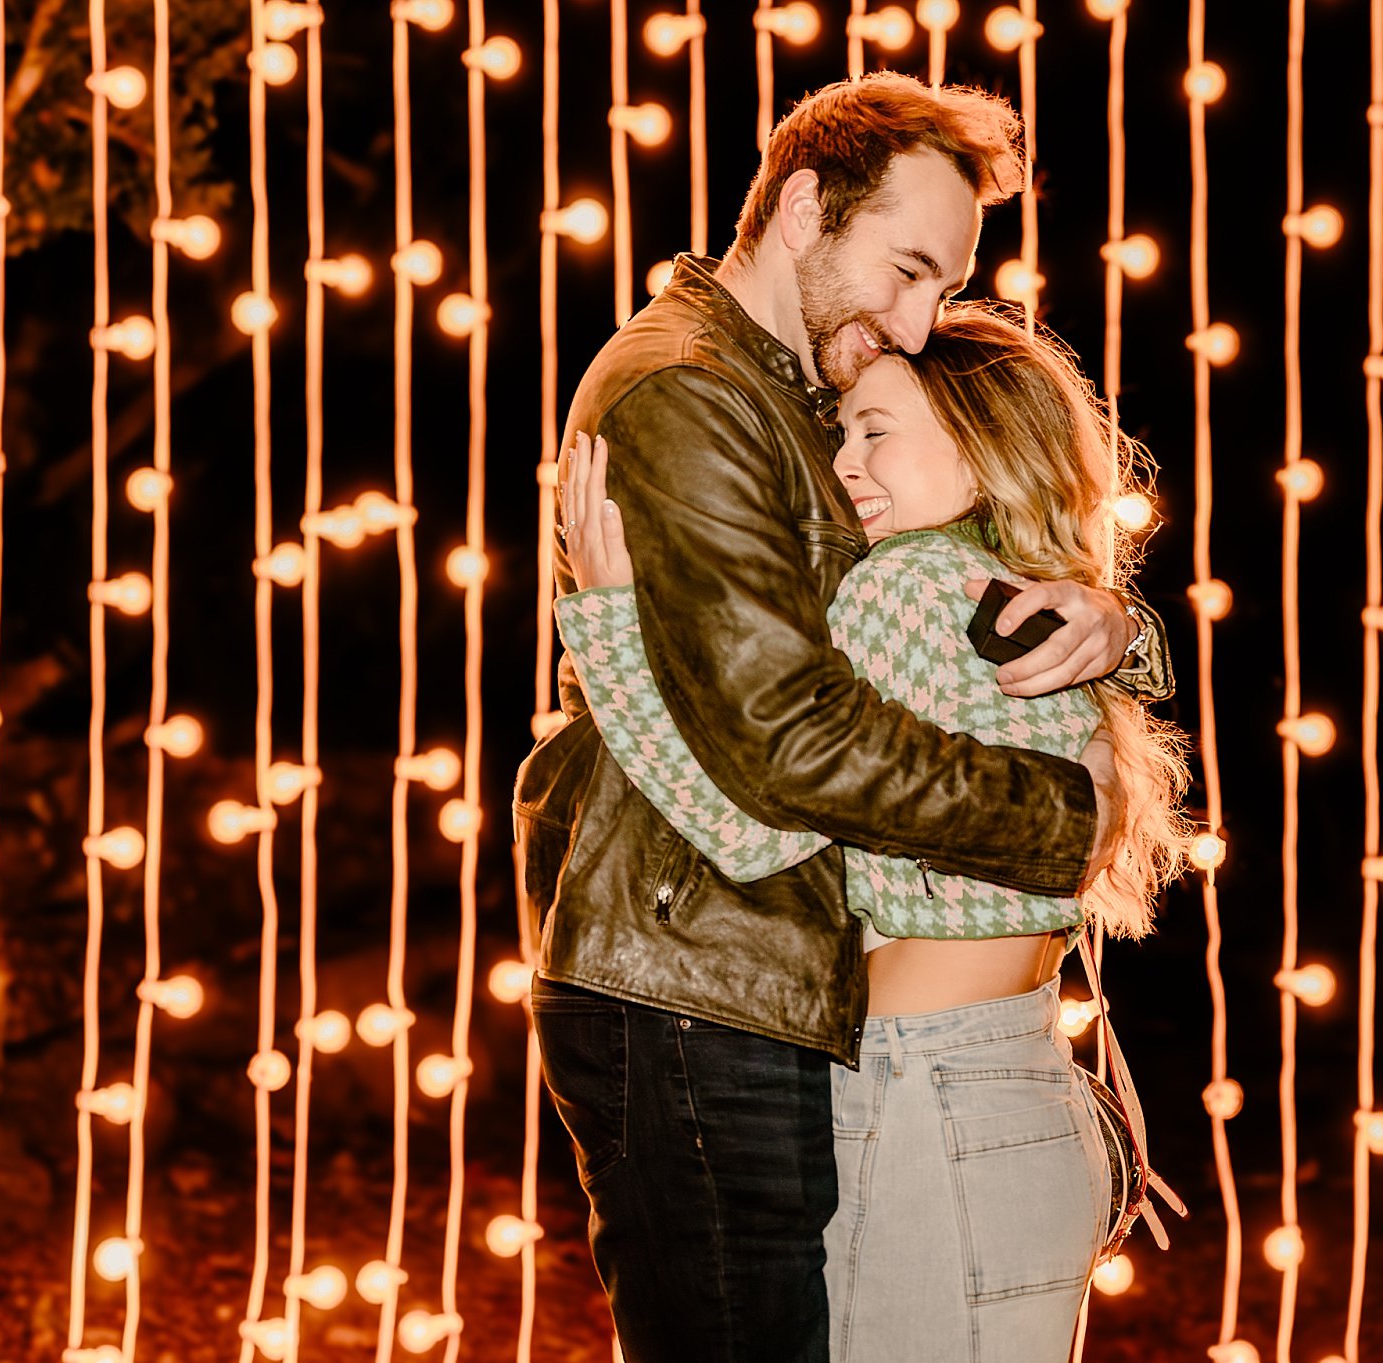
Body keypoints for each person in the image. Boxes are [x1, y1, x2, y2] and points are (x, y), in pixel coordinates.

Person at [511, 74, 1172, 1363]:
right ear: (807, 205)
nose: (919, 323)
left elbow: (971, 554)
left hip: (802, 994)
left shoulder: (799, 380)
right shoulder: (692, 394)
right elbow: (786, 741)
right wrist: (1063, 818)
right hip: (696, 968)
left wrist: (1109, 624)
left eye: (942, 284)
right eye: (909, 266)